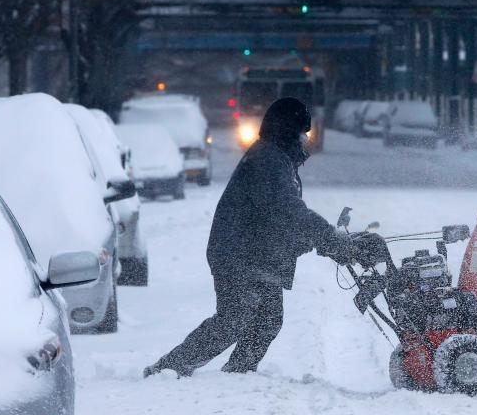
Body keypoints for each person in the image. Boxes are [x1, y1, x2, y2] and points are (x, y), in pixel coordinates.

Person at [144, 98, 354, 377]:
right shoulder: (268, 161)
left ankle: (237, 372)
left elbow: (277, 220)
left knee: (267, 320)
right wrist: (327, 236)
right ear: (288, 131)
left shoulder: (277, 158)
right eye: (302, 134)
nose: (305, 140)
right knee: (234, 319)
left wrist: (321, 242)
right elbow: (288, 210)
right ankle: (169, 369)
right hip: (238, 254)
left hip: (255, 254)